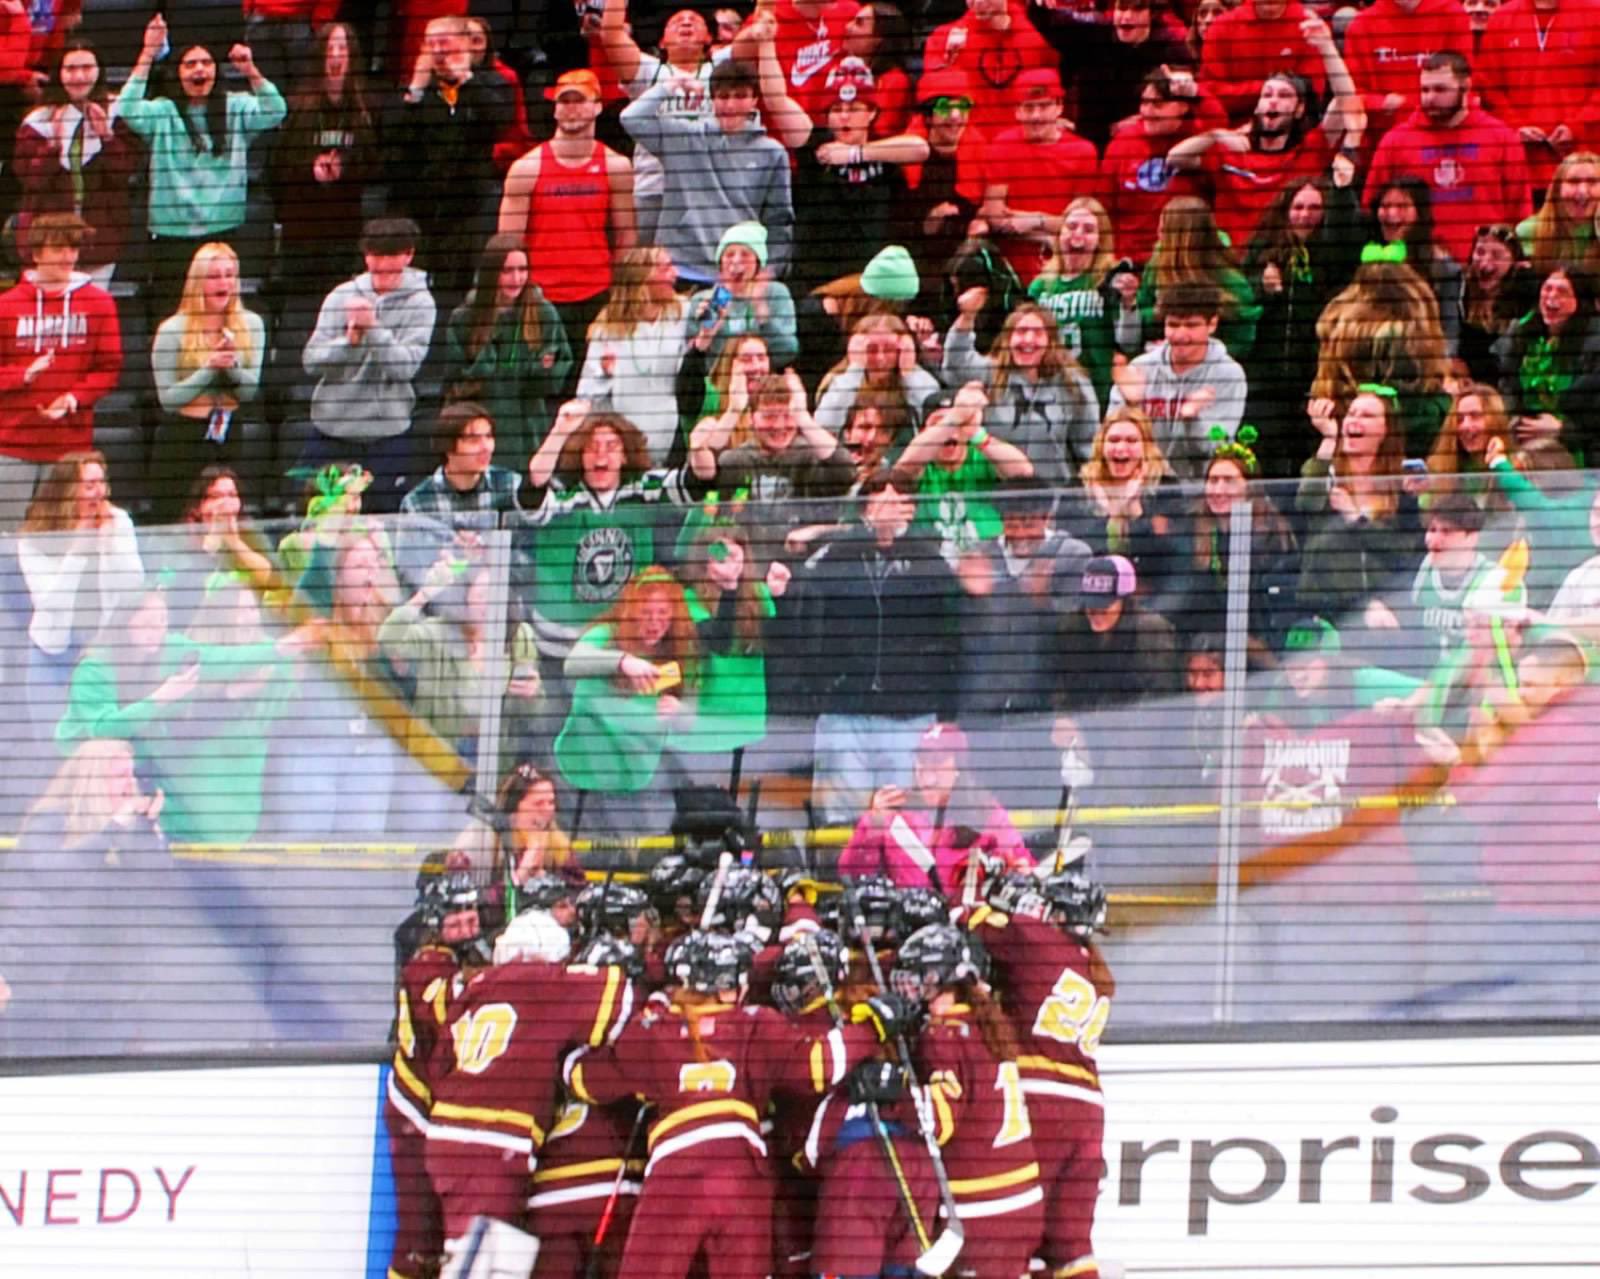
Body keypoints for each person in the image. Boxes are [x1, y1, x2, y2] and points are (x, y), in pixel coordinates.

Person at [563, 929, 894, 1279]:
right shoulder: (756, 1023)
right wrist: (872, 1026)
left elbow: (585, 1079)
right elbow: (819, 1066)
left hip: (675, 1173)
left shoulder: (652, 1028)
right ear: (727, 987)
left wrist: (574, 1047)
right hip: (743, 1172)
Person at [57, 583, 316, 843]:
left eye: (162, 622)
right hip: (87, 766)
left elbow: (223, 659)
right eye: (147, 624)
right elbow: (103, 730)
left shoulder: (173, 649)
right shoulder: (94, 668)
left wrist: (283, 647)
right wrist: (161, 698)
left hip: (138, 762)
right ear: (124, 625)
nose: (156, 632)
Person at [960, 869, 1115, 1279]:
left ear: (1059, 915)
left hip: (1042, 1100)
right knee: (1072, 1246)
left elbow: (971, 919)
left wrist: (998, 892)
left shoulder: (1038, 939)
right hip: (1089, 1112)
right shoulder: (1097, 971)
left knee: (1018, 1234)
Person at [801, 468, 960, 825]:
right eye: (878, 495)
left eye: (898, 496)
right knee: (841, 819)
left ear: (912, 508)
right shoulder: (837, 554)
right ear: (864, 508)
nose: (887, 503)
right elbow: (808, 602)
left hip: (909, 714)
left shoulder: (931, 556)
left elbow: (951, 627)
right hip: (846, 711)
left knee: (901, 821)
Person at [886, 923, 1046, 1275]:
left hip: (981, 1207)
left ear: (944, 978)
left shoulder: (941, 1037)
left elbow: (938, 1122)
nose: (911, 987)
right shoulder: (988, 1023)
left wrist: (893, 1092)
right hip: (1023, 1201)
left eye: (921, 977)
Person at [0, 739, 170, 1055]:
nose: (130, 784)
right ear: (92, 780)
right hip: (39, 986)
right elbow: (56, 873)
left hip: (104, 991)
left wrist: (146, 827)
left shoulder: (129, 828)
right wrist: (112, 830)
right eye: (120, 776)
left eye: (131, 775)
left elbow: (155, 883)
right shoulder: (49, 822)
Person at [117, 15, 286, 311]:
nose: (199, 69)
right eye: (190, 64)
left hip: (222, 231)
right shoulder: (163, 111)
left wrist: (250, 70)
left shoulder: (236, 106)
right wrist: (147, 53)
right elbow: (127, 109)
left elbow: (276, 110)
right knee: (173, 312)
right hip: (172, 235)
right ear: (177, 73)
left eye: (206, 63)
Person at [521, 402, 712, 653]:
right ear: (579, 455)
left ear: (625, 455)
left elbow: (694, 485)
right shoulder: (563, 493)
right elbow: (532, 492)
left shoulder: (642, 490)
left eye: (611, 447)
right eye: (591, 448)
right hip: (560, 643)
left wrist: (698, 447)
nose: (601, 456)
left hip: (622, 641)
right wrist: (559, 432)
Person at [1169, 25, 1361, 249]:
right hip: (1232, 262)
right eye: (1267, 95)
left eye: (1284, 96)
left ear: (1299, 110)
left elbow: (1347, 101)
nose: (1272, 101)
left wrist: (1327, 47)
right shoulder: (1232, 150)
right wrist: (1214, 136)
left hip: (1286, 257)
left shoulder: (1311, 149)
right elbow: (1175, 158)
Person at [301, 217, 438, 509]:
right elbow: (311, 360)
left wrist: (373, 328)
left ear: (408, 255)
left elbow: (405, 367)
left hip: (387, 438)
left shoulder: (421, 303)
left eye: (391, 258)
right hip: (332, 433)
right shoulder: (341, 296)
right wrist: (348, 344)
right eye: (375, 258)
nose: (382, 268)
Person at [620, 57, 794, 284]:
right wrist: (670, 86)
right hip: (678, 270)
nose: (730, 106)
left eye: (740, 96)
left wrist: (767, 274)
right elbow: (630, 118)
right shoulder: (682, 136)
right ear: (712, 100)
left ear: (754, 100)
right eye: (723, 97)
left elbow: (779, 221)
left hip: (737, 276)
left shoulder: (772, 152)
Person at [497, 67, 636, 348]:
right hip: (540, 293)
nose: (571, 109)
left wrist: (621, 292)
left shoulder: (616, 166)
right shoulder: (526, 168)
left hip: (597, 290)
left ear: (597, 107)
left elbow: (626, 235)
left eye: (579, 101)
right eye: (564, 101)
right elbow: (508, 244)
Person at [552, 566, 699, 833]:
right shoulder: (607, 636)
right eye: (646, 614)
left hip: (636, 777)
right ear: (631, 613)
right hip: (586, 768)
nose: (655, 623)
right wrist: (622, 662)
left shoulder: (674, 653)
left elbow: (694, 720)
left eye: (663, 615)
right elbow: (572, 662)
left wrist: (680, 712)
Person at [0, 213, 121, 524]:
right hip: (12, 446)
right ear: (37, 254)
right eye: (58, 249)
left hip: (71, 449)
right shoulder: (7, 307)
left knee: (64, 541)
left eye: (73, 249)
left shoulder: (100, 304)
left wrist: (73, 398)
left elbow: (109, 367)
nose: (67, 257)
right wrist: (23, 374)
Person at [17, 451, 144, 737]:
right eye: (89, 485)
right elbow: (51, 603)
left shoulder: (119, 521)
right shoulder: (35, 538)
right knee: (54, 754)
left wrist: (111, 544)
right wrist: (78, 549)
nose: (98, 493)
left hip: (103, 650)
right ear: (66, 492)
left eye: (101, 483)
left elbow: (134, 585)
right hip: (53, 655)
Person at [1243, 178, 1365, 475]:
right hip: (1265, 382)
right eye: (1298, 207)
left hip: (1313, 381)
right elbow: (1242, 306)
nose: (1305, 215)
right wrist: (1263, 287)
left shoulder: (1333, 258)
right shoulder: (1262, 252)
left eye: (1314, 208)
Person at [384, 14, 510, 301]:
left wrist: (466, 80)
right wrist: (416, 87)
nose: (438, 51)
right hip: (422, 208)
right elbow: (392, 136)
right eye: (430, 44)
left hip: (469, 206)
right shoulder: (414, 91)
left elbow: (500, 122)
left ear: (466, 44)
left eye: (444, 42)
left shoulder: (490, 84)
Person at [1364, 50, 1532, 263]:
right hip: (1415, 266)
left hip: (1483, 268)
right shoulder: (1396, 141)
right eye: (1425, 90)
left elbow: (1519, 210)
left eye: (1440, 89)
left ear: (1466, 87)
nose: (1430, 97)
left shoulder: (1501, 138)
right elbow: (1371, 207)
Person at [838, 719, 1032, 891]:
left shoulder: (987, 814)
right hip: (909, 929)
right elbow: (851, 876)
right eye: (921, 759)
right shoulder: (894, 814)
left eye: (937, 760)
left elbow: (1023, 867)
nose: (925, 768)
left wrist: (1018, 872)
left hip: (966, 928)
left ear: (959, 768)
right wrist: (872, 825)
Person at [149, 241, 268, 521]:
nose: (223, 282)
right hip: (183, 437)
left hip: (229, 433)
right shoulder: (172, 330)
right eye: (214, 276)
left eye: (229, 275)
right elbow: (167, 399)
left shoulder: (251, 324)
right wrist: (209, 368)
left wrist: (233, 365)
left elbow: (250, 391)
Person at [268, 22, 379, 319]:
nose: (336, 55)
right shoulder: (298, 106)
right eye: (330, 48)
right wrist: (310, 168)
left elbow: (375, 163)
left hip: (345, 223)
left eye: (343, 48)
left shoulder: (365, 107)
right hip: (303, 224)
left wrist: (346, 167)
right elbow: (278, 167)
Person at [445, 235, 574, 476]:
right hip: (482, 430)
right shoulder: (465, 318)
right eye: (507, 271)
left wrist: (543, 371)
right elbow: (455, 379)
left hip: (527, 431)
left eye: (522, 269)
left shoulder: (543, 313)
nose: (516, 279)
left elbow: (559, 365)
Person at [943, 293, 1100, 487]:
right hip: (995, 495)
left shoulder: (1073, 385)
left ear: (1051, 342)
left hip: (1054, 496)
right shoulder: (990, 373)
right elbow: (955, 365)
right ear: (1008, 339)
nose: (1028, 339)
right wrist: (967, 317)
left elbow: (1089, 448)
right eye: (1021, 331)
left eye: (1037, 333)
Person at [1297, 385, 1423, 624]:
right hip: (1329, 611)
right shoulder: (1327, 475)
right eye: (1352, 413)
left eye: (1367, 415)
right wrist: (1328, 439)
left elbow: (1405, 554)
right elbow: (1306, 505)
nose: (1354, 419)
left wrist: (1356, 520)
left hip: (1387, 614)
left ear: (1386, 430)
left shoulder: (1401, 489)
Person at [13, 39, 136, 283]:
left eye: (87, 68)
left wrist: (107, 136)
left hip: (99, 240)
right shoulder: (38, 122)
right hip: (49, 239)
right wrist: (54, 144)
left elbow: (125, 173)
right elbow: (31, 179)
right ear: (59, 73)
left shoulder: (116, 114)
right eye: (70, 69)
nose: (79, 76)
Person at [1309, 259, 1455, 457]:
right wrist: (1445, 405)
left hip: (1342, 436)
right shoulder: (1405, 336)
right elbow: (1408, 410)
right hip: (1401, 450)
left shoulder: (1337, 325)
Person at [792, 82, 929, 290]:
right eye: (837, 110)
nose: (845, 117)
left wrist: (854, 153)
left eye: (854, 109)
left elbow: (920, 149)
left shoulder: (885, 154)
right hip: (822, 279)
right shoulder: (817, 150)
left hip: (873, 281)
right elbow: (778, 103)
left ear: (872, 112)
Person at [1109, 282, 1249, 479]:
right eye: (1173, 325)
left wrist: (1191, 418)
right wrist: (1132, 406)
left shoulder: (1228, 374)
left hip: (1201, 494)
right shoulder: (1141, 369)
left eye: (1191, 325)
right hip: (1143, 488)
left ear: (1212, 325)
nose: (1181, 335)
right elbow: (1111, 442)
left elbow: (1215, 450)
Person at [976, 68, 1099, 287]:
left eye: (1044, 106)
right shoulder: (1002, 146)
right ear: (1017, 111)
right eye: (1029, 107)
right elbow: (995, 216)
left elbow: (1081, 221)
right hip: (1010, 270)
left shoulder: (1083, 152)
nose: (1036, 116)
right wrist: (1045, 235)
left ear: (1059, 107)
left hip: (1065, 270)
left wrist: (1033, 220)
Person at [576, 247, 694, 464]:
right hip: (626, 439)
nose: (675, 274)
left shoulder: (683, 313)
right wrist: (604, 372)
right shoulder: (608, 329)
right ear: (643, 278)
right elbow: (585, 395)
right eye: (665, 268)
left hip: (674, 433)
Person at [1032, 0, 1200, 151]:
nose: (1126, 17)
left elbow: (1190, 103)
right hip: (1094, 142)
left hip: (1145, 146)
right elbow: (1046, 19)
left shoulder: (1172, 51)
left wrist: (1142, 120)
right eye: (1122, 8)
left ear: (1152, 15)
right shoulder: (1094, 36)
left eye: (1137, 10)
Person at [1476, 0, 1600, 188]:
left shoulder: (1594, 15)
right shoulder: (1501, 19)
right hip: (1522, 167)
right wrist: (1514, 127)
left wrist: (1577, 126)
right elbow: (1488, 87)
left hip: (1583, 167)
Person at [1099, 66, 1213, 264]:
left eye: (1157, 104)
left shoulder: (1198, 138)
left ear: (1183, 106)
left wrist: (1195, 92)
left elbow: (1220, 122)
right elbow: (1104, 208)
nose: (1147, 112)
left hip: (1185, 258)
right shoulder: (1122, 143)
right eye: (1144, 103)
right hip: (1130, 260)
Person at [1126, 195, 1263, 358]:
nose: (1158, 234)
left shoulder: (1229, 278)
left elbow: (1244, 337)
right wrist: (1157, 314)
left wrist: (1204, 354)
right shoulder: (1158, 263)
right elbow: (1141, 310)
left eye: (1163, 230)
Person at [1028, 197, 1128, 413]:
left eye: (1089, 229)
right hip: (1052, 392)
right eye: (1071, 226)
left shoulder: (1110, 280)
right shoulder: (1040, 286)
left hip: (1099, 390)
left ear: (1101, 239)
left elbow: (1128, 338)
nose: (1078, 234)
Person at [1064, 407, 1182, 589]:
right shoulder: (1078, 487)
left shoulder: (1165, 487)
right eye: (1113, 440)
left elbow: (1165, 558)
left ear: (1146, 448)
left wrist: (1135, 512)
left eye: (1131, 440)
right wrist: (1114, 513)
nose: (1120, 448)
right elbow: (1075, 551)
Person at [1494, 263, 1600, 463]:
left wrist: (1563, 430)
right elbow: (1507, 387)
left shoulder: (1594, 344)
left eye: (1562, 292)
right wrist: (1517, 424)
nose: (1551, 296)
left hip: (1581, 452)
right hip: (1526, 444)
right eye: (1547, 288)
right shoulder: (1521, 333)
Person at [1054, 553, 1182, 715]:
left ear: (1125, 601)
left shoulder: (1151, 632)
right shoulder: (1072, 628)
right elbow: (1063, 687)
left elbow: (1161, 696)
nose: (1095, 612)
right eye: (1090, 604)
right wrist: (1065, 720)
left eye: (1104, 605)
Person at [919, 0, 1056, 140]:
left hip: (1023, 145)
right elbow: (931, 109)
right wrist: (947, 65)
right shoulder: (944, 39)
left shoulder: (1039, 38)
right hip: (968, 147)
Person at [1342, 0, 1472, 141]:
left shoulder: (1452, 15)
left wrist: (1404, 105)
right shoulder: (1361, 25)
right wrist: (1380, 103)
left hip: (1446, 134)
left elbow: (1466, 80)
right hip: (1381, 138)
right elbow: (1352, 95)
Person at [1366, 176, 1465, 348]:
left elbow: (1449, 332)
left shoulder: (1442, 268)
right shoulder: (1369, 258)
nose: (1391, 214)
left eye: (1401, 206)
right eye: (1385, 206)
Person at [687, 220, 800, 370]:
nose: (736, 261)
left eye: (745, 254)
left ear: (758, 263)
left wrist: (761, 311)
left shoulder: (776, 293)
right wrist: (707, 333)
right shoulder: (703, 300)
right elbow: (692, 361)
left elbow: (787, 352)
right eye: (729, 255)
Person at [1199, 0, 1327, 124]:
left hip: (1293, 131)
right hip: (1232, 131)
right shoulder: (1222, 27)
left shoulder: (1308, 25)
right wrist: (1267, 89)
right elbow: (1211, 94)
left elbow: (1312, 96)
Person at [399, 402, 525, 522]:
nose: (486, 447)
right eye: (473, 439)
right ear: (448, 446)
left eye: (489, 436)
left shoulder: (511, 485)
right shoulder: (417, 504)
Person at [1460, 222, 1537, 384]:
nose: (1485, 262)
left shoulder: (1522, 298)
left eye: (1497, 255)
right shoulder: (1461, 292)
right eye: (1480, 252)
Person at [494, 760, 581, 890]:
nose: (548, 810)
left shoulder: (561, 849)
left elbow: (578, 891)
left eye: (551, 802)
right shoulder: (490, 846)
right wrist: (524, 870)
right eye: (538, 803)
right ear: (514, 811)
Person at [1517, 150, 1600, 274]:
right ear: (1557, 190)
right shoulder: (1528, 231)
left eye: (1592, 182)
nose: (1583, 191)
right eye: (1573, 182)